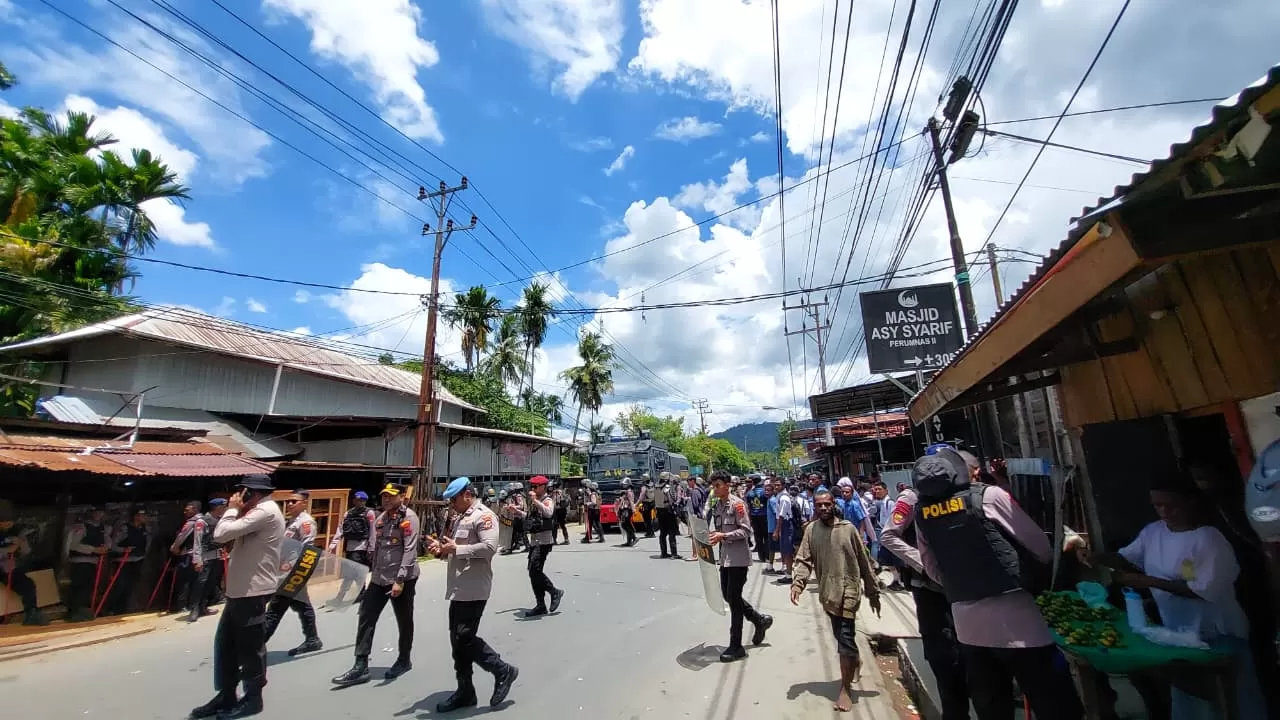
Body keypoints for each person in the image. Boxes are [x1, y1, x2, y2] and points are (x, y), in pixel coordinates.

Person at [912, 450, 1083, 720]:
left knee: (992, 709)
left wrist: (961, 582)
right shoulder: (988, 496)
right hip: (1021, 624)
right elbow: (1041, 547)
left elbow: (931, 568)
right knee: (1058, 707)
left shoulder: (922, 512)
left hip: (968, 629)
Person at [1087, 477, 1267, 719]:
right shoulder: (1154, 533)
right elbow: (1126, 558)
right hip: (1178, 634)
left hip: (1217, 633)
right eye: (1157, 505)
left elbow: (1203, 591)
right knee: (1191, 703)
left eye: (1171, 505)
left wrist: (1149, 582)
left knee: (1232, 703)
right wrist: (1096, 557)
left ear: (1190, 504)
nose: (1164, 512)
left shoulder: (1208, 539)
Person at [190, 474, 284, 719]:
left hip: (253, 591)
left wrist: (232, 510)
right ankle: (227, 694)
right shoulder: (255, 512)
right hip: (239, 590)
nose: (238, 497)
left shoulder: (265, 511)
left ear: (251, 493)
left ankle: (253, 699)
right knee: (227, 646)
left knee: (250, 648)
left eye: (242, 492)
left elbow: (221, 534)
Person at [427, 477, 519, 713]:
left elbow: (489, 548)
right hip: (459, 586)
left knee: (464, 637)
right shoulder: (460, 517)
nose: (451, 504)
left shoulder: (484, 516)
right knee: (457, 642)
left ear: (467, 494)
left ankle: (502, 670)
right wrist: (441, 550)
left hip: (475, 587)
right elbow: (453, 548)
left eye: (454, 499)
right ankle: (465, 690)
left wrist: (455, 549)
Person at [880, 482, 971, 720]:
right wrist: (923, 563)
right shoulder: (911, 498)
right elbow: (888, 535)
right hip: (929, 587)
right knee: (942, 652)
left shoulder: (969, 495)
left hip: (966, 584)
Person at [790, 489, 882, 713]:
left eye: (827, 504)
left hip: (849, 593)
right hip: (828, 594)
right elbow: (803, 559)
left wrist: (873, 592)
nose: (823, 508)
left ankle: (845, 688)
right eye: (819, 505)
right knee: (841, 637)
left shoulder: (848, 529)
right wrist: (798, 584)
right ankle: (853, 659)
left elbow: (864, 561)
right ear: (814, 507)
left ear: (834, 505)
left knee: (844, 640)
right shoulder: (811, 530)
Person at [332, 483, 419, 687]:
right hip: (379, 579)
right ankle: (360, 665)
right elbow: (377, 548)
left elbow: (410, 550)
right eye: (384, 496)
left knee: (404, 619)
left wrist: (400, 580)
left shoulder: (409, 518)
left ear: (400, 497)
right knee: (366, 616)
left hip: (402, 579)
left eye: (391, 496)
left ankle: (404, 659)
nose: (386, 500)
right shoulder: (381, 519)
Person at [706, 470, 772, 662]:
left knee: (734, 601)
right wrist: (714, 536)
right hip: (725, 558)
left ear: (727, 485)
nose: (715, 489)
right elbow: (719, 529)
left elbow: (745, 530)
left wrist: (724, 536)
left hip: (738, 559)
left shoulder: (738, 504)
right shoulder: (717, 505)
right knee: (728, 595)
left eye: (718, 485)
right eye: (713, 486)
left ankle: (736, 645)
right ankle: (759, 620)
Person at [263, 491, 322, 656]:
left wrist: (296, 572)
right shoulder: (291, 521)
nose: (289, 504)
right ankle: (312, 639)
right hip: (283, 570)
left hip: (292, 572)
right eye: (288, 501)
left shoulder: (306, 523)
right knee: (302, 604)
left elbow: (307, 549)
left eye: (294, 501)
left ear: (304, 503)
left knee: (275, 608)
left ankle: (253, 649)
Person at [518, 475, 564, 617]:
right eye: (531, 487)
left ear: (543, 487)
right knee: (533, 572)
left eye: (535, 487)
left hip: (544, 541)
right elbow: (531, 517)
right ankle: (540, 604)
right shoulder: (535, 501)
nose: (532, 489)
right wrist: (517, 512)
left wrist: (535, 501)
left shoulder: (547, 500)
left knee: (535, 570)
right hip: (534, 541)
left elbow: (548, 513)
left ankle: (554, 592)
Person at [0, 499, 44, 625]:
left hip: (8, 569)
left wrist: (21, 543)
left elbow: (26, 552)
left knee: (28, 584)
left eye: (10, 521)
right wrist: (8, 549)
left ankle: (31, 613)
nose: (8, 523)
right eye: (3, 521)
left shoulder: (16, 532)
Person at [328, 490, 376, 605]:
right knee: (355, 573)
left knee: (351, 573)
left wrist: (371, 548)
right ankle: (362, 594)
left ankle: (342, 597)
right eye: (356, 499)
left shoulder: (369, 513)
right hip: (350, 547)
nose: (358, 502)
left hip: (361, 547)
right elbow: (341, 529)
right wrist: (333, 544)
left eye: (361, 500)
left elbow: (372, 531)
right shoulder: (348, 513)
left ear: (364, 501)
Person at [171, 501, 214, 622]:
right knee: (201, 582)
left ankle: (185, 606)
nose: (185, 512)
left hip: (191, 555)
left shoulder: (193, 522)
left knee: (188, 582)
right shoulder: (207, 519)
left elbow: (182, 537)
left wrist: (174, 548)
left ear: (195, 509)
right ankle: (199, 607)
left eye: (187, 510)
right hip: (206, 556)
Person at [65, 506, 108, 622]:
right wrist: (93, 549)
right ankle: (74, 612)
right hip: (80, 562)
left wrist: (104, 548)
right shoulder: (81, 527)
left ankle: (80, 611)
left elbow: (107, 543)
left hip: (93, 562)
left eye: (101, 512)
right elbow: (73, 545)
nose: (99, 514)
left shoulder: (102, 528)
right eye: (96, 512)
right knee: (79, 587)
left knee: (87, 588)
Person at [106, 507, 149, 616]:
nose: (145, 517)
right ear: (136, 516)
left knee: (131, 585)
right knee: (120, 585)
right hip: (123, 561)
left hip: (137, 560)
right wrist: (124, 549)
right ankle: (112, 609)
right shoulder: (125, 528)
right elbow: (113, 545)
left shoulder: (144, 529)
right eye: (142, 515)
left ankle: (123, 609)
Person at [205, 499, 229, 607]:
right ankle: (210, 599)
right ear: (218, 508)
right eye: (224, 507)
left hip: (218, 553)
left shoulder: (219, 520)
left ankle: (217, 597)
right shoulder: (206, 520)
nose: (225, 509)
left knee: (216, 576)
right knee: (208, 578)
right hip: (207, 554)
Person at [746, 478, 770, 565]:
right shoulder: (765, 493)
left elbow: (748, 507)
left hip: (754, 517)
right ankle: (767, 556)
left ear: (753, 482)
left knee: (758, 537)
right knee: (766, 537)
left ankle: (761, 556)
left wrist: (749, 519)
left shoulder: (749, 493)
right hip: (764, 516)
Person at [655, 472, 680, 559]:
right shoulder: (667, 487)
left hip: (659, 511)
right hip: (668, 511)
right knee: (671, 533)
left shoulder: (656, 486)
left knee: (662, 533)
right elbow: (671, 499)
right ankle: (674, 554)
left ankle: (663, 553)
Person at [616, 478, 638, 547]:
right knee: (626, 524)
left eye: (624, 484)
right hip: (625, 509)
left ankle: (634, 537)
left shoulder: (629, 492)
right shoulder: (626, 491)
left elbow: (631, 501)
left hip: (627, 510)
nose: (623, 485)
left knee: (625, 524)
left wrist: (633, 509)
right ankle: (629, 541)